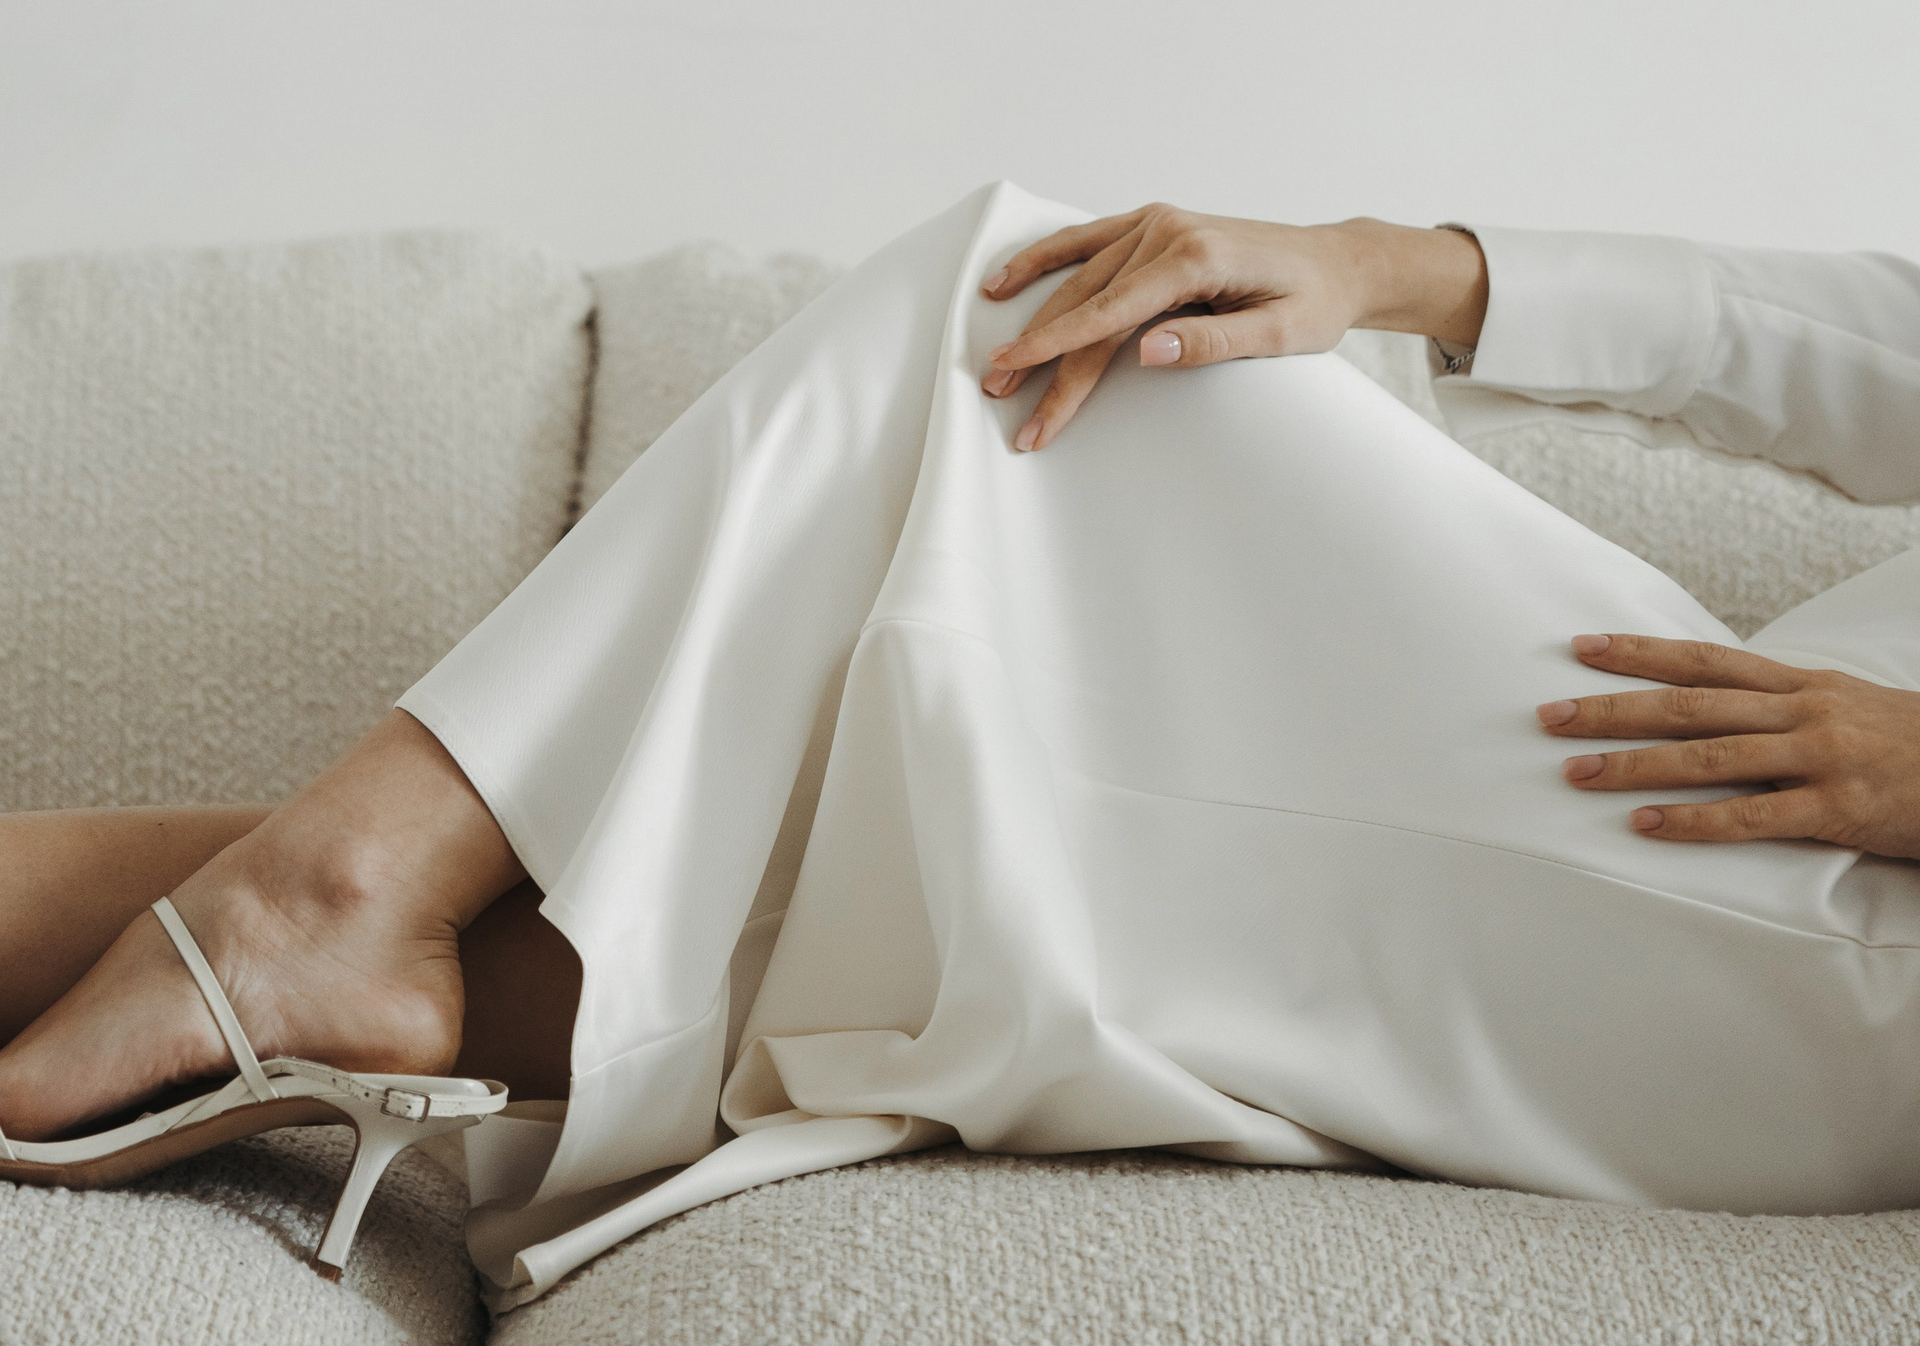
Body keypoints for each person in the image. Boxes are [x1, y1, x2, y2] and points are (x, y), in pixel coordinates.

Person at [5, 182, 1920, 1306]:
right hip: (1726, 775)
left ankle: (328, 897)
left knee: (1001, 314)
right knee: (776, 875)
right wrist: (1377, 261)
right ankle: (321, 932)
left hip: (1833, 937)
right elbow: (1859, 341)